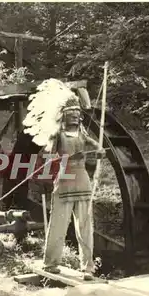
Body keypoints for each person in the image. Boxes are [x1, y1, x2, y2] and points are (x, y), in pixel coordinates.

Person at [43, 101, 105, 281]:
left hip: (82, 180)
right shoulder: (57, 134)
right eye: (71, 114)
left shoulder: (82, 133)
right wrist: (67, 158)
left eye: (77, 114)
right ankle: (51, 263)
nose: (75, 117)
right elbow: (47, 157)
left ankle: (87, 267)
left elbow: (97, 147)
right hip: (64, 180)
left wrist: (100, 152)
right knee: (58, 225)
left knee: (85, 226)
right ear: (64, 117)